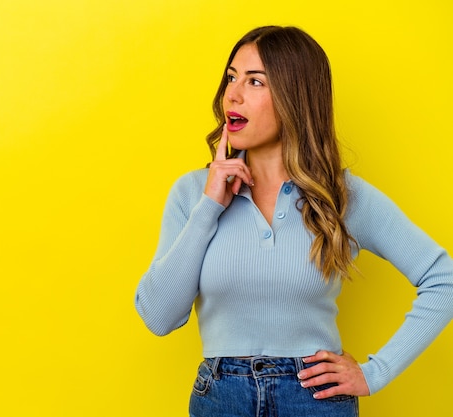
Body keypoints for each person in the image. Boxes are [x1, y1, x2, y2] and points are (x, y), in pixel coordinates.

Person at [134, 25, 453, 417]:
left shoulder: (341, 196)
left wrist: (375, 372)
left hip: (315, 401)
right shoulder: (193, 194)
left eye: (255, 82)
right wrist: (209, 207)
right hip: (221, 400)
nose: (232, 93)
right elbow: (158, 316)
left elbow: (444, 279)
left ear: (294, 97)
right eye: (231, 77)